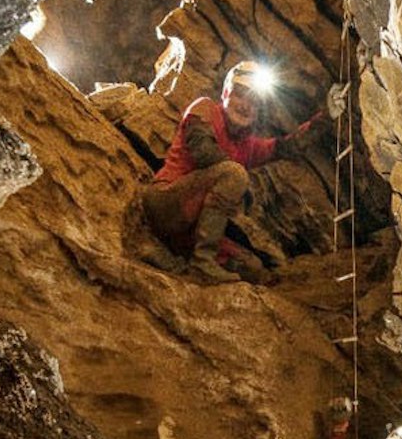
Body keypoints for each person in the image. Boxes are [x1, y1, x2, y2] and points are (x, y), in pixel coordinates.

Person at [142, 60, 344, 282]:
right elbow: (203, 153)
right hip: (165, 204)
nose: (246, 105)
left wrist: (326, 117)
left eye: (254, 101)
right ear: (226, 92)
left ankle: (173, 262)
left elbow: (286, 147)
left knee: (253, 267)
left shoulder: (248, 146)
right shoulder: (205, 109)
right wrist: (241, 184)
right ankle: (202, 264)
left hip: (188, 232)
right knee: (234, 174)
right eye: (240, 94)